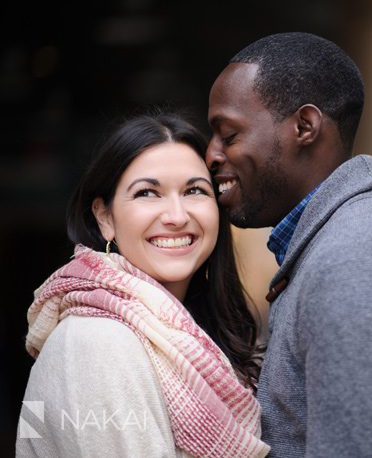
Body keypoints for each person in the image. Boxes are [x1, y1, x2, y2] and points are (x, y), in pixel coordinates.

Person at [206, 32, 372, 457]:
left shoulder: (360, 260)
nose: (211, 155)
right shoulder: (347, 242)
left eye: (229, 134)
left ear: (304, 127)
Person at [16, 112, 270, 458]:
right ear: (104, 217)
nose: (177, 216)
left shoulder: (199, 339)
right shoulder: (96, 341)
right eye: (148, 193)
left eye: (195, 190)